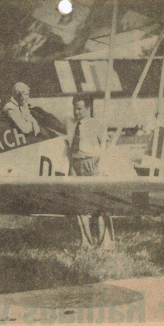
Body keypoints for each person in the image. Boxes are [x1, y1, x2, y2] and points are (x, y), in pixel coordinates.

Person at [66, 94, 115, 251]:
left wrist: (101, 165)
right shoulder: (69, 123)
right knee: (78, 205)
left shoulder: (96, 124)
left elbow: (106, 145)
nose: (76, 111)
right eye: (74, 108)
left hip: (92, 163)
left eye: (80, 108)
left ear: (88, 109)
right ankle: (86, 243)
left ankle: (106, 243)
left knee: (99, 204)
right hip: (75, 164)